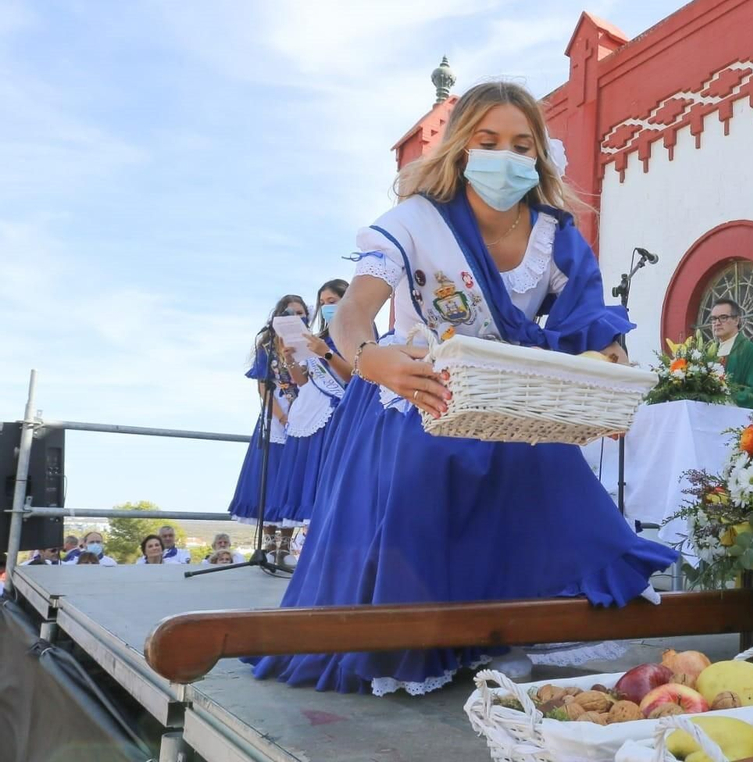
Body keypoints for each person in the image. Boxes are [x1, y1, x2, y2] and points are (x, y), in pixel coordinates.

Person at [251, 80, 677, 696]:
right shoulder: (414, 221)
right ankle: (422, 639)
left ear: (539, 155)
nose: (506, 156)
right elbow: (352, 315)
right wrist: (373, 360)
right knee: (426, 467)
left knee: (555, 476)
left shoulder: (554, 234)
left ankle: (503, 631)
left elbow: (588, 316)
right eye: (489, 140)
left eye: (521, 144)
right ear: (460, 147)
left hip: (509, 398)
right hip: (419, 388)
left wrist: (607, 354)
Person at [274, 279, 356, 536]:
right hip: (308, 411)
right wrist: (290, 362)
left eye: (331, 302)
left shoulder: (358, 332)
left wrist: (326, 353)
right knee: (304, 487)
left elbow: (356, 377)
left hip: (334, 415)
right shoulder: (318, 337)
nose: (326, 307)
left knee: (325, 487)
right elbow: (303, 381)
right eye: (322, 304)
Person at [228, 295, 304, 552]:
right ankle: (268, 540)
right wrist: (282, 416)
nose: (296, 318)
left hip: (303, 413)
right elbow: (263, 385)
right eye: (290, 313)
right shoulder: (267, 347)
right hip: (275, 416)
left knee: (291, 476)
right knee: (269, 475)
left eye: (301, 313)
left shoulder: (309, 344)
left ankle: (286, 540)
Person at [707, 299, 753, 410]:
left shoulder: (750, 351)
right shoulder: (708, 353)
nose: (717, 323)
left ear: (736, 320)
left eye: (723, 317)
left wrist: (723, 396)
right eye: (714, 318)